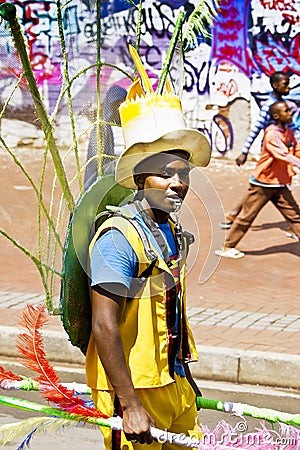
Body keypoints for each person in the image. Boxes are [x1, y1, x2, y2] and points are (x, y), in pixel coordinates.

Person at [85, 59, 211, 448]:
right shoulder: (117, 238)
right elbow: (104, 326)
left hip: (174, 385)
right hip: (135, 393)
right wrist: (130, 403)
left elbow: (170, 312)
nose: (178, 183)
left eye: (184, 174)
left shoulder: (169, 229)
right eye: (165, 173)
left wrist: (183, 374)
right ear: (140, 178)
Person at [215, 101, 300, 259]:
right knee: (247, 216)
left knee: (295, 215)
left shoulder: (288, 132)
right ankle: (227, 246)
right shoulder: (272, 133)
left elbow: (296, 150)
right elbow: (282, 154)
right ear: (276, 116)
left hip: (280, 183)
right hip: (263, 183)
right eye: (287, 111)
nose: (290, 113)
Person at [221, 71, 299, 240]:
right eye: (285, 84)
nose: (288, 87)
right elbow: (256, 129)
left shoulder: (282, 106)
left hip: (278, 163)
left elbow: (292, 132)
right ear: (275, 85)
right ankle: (231, 227)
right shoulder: (270, 107)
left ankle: (232, 217)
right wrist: (244, 151)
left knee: (257, 193)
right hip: (271, 157)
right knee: (257, 193)